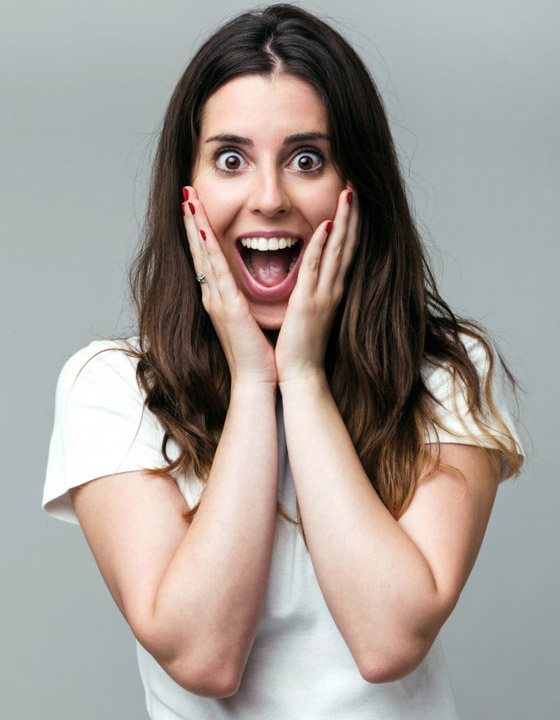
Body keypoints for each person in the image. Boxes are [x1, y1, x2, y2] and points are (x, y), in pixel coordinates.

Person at [42, 4, 526, 718]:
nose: (269, 199)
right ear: (187, 189)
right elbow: (203, 657)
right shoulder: (112, 386)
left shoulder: (448, 373)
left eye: (307, 160)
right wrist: (251, 382)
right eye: (230, 159)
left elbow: (389, 640)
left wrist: (301, 377)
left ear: (356, 186)